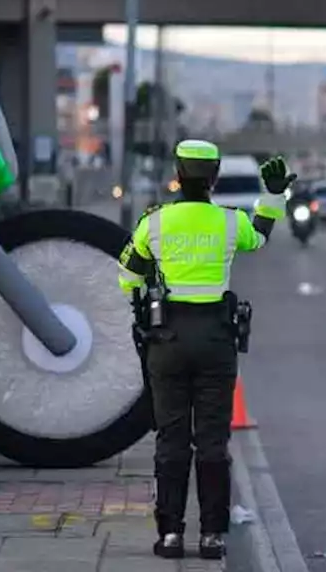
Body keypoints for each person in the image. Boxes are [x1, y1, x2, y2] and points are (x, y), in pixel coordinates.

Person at [117, 140, 293, 561]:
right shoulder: (230, 223)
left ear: (177, 173)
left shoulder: (153, 223)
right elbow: (262, 237)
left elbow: (127, 276)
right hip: (216, 340)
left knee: (171, 440)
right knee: (213, 441)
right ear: (214, 177)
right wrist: (272, 194)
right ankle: (213, 536)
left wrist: (146, 302)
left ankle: (171, 536)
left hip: (167, 341)